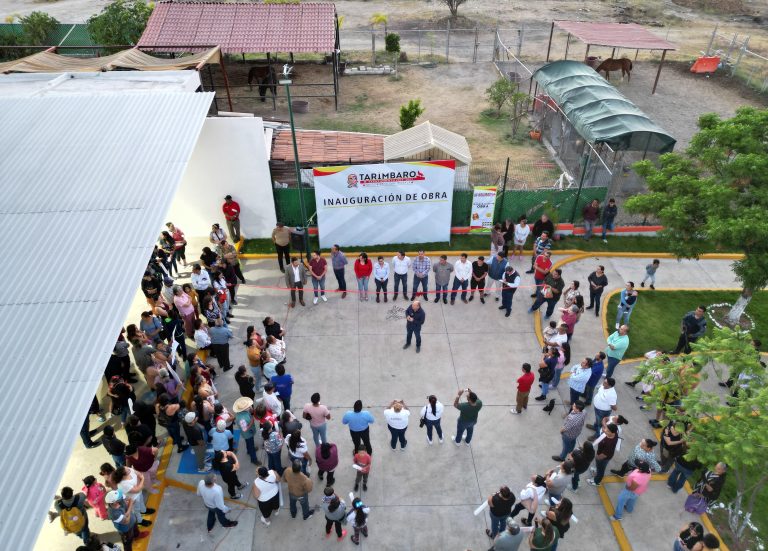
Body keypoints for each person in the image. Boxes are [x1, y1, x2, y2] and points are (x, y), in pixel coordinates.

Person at [587, 422, 619, 487]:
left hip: (603, 458)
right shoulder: (613, 433)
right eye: (606, 429)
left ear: (612, 432)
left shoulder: (610, 443)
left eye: (607, 430)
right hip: (601, 453)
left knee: (601, 470)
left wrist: (597, 457)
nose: (604, 430)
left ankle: (596, 481)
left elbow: (604, 455)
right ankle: (596, 469)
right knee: (599, 466)